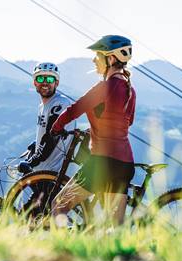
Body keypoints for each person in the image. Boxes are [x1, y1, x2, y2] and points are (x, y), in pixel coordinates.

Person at [50, 35, 136, 227]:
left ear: (111, 59)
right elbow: (126, 122)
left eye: (98, 55)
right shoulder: (131, 90)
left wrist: (56, 127)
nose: (94, 60)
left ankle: (63, 253)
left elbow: (74, 110)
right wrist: (96, 127)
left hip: (102, 162)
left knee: (58, 205)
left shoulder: (104, 87)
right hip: (124, 164)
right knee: (115, 227)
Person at [17, 62, 75, 175]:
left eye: (49, 79)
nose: (44, 82)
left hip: (52, 172)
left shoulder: (60, 103)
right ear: (34, 82)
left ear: (56, 83)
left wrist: (32, 161)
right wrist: (37, 144)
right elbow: (45, 132)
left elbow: (51, 136)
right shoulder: (43, 105)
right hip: (41, 169)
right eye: (40, 79)